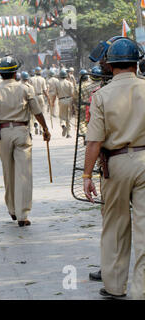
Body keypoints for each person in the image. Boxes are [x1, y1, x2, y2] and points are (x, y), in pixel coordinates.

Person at [83, 38, 145, 300]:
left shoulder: (102, 96)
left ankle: (115, 285)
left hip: (116, 164)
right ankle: (141, 290)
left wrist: (86, 175)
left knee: (115, 226)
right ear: (136, 61)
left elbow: (94, 141)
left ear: (109, 64)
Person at [0, 56, 51, 227]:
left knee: (8, 172)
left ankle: (12, 209)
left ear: (0, 74)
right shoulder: (25, 89)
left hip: (3, 134)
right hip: (22, 132)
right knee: (23, 174)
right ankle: (23, 215)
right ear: (15, 72)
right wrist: (45, 129)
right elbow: (37, 111)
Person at [30, 67, 51, 135]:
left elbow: (29, 89)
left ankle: (35, 123)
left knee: (34, 113)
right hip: (40, 96)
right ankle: (41, 129)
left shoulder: (31, 79)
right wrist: (48, 97)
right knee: (41, 113)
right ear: (40, 72)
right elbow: (44, 90)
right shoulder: (42, 79)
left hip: (33, 96)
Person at [56, 69, 75, 138]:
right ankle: (68, 133)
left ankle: (63, 125)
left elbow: (55, 94)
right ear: (66, 76)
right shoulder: (69, 83)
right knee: (68, 117)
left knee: (62, 116)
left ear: (60, 76)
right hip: (69, 100)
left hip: (61, 100)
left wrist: (52, 102)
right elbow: (73, 94)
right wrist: (73, 103)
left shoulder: (57, 83)